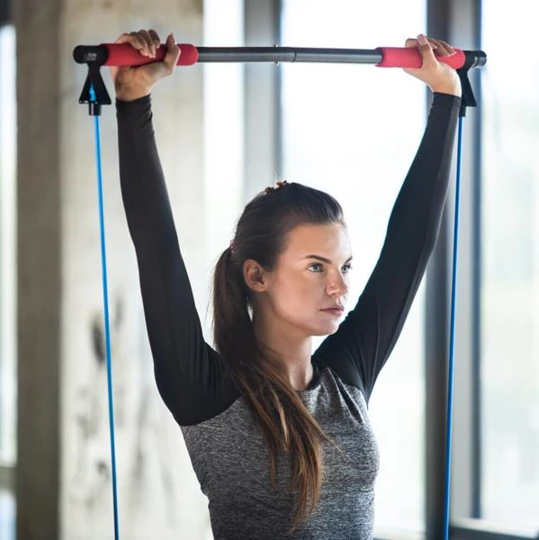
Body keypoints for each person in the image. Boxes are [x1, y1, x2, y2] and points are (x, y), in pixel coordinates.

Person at [112, 29, 461, 540]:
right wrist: (133, 103)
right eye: (316, 267)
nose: (339, 287)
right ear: (257, 275)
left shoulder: (346, 379)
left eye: (344, 267)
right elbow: (157, 248)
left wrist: (447, 97)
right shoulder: (207, 391)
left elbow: (408, 250)